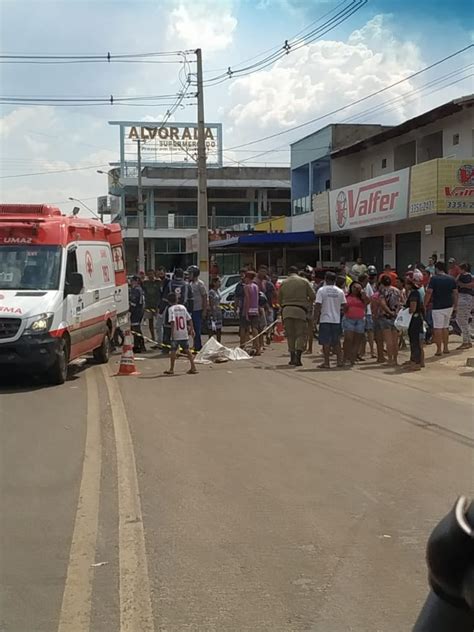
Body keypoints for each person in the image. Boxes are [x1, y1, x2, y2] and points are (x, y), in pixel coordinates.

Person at [278, 266, 316, 367]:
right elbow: (313, 296)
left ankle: (292, 357)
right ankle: (298, 358)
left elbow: (279, 299)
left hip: (286, 310)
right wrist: (307, 303)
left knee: (290, 335)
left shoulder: (284, 283)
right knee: (300, 334)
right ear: (297, 272)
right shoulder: (304, 281)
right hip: (300, 310)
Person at [424, 261, 458, 356]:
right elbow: (455, 293)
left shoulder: (434, 279)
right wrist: (455, 306)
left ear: (437, 268)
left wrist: (424, 304)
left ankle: (439, 349)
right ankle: (446, 348)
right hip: (449, 305)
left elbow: (429, 292)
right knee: (445, 327)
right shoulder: (451, 279)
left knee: (438, 328)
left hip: (438, 306)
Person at [314, 271, 346, 369]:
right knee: (336, 341)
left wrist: (315, 319)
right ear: (335, 280)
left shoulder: (321, 290)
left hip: (325, 319)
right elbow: (344, 305)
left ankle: (326, 363)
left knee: (325, 342)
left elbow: (318, 305)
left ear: (325, 279)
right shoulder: (340, 291)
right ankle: (339, 361)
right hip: (336, 319)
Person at [164, 292, 197, 376]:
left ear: (168, 301)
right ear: (177, 299)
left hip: (176, 333)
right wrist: (192, 329)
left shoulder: (171, 309)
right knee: (187, 350)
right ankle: (193, 366)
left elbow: (172, 321)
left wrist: (172, 333)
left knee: (173, 351)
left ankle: (171, 369)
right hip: (183, 332)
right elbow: (189, 319)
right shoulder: (183, 307)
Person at [161, 268, 192, 352]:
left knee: (167, 329)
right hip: (182, 309)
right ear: (182, 275)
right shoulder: (186, 285)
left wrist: (161, 310)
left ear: (174, 275)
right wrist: (190, 311)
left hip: (170, 308)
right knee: (182, 329)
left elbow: (164, 298)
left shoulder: (170, 284)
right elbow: (190, 299)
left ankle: (166, 348)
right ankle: (183, 348)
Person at [342, 281, 369, 366]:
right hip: (348, 319)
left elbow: (367, 302)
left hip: (360, 320)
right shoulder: (346, 296)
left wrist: (362, 293)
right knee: (348, 339)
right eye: (354, 287)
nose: (356, 289)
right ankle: (345, 357)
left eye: (357, 288)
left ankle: (353, 358)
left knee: (357, 341)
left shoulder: (362, 298)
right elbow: (344, 308)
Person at [379, 275, 401, 366]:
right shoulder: (397, 290)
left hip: (386, 317)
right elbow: (401, 302)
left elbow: (383, 304)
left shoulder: (383, 291)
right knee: (395, 340)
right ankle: (395, 359)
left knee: (388, 341)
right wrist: (395, 313)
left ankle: (390, 359)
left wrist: (389, 312)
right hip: (396, 316)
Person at [404, 277, 425, 371]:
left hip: (414, 320)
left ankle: (415, 362)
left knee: (414, 342)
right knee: (417, 342)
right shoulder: (418, 293)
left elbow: (412, 308)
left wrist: (404, 310)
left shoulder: (413, 294)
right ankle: (419, 361)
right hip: (418, 319)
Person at [187, 265, 208, 352]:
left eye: (190, 273)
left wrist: (204, 310)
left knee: (197, 328)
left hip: (198, 310)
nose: (189, 275)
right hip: (191, 309)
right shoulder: (190, 284)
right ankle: (195, 344)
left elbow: (204, 297)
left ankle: (198, 346)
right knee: (192, 329)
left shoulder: (200, 284)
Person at [242, 271, 261, 356]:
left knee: (247, 329)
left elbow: (247, 299)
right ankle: (258, 348)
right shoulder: (256, 286)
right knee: (255, 329)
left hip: (249, 310)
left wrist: (246, 312)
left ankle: (244, 346)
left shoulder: (247, 287)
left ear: (248, 278)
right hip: (255, 309)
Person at [456, 262, 473, 349]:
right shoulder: (471, 276)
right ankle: (468, 340)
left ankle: (466, 341)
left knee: (461, 320)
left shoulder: (462, 276)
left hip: (463, 299)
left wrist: (462, 285)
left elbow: (456, 283)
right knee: (464, 320)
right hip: (469, 299)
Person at [359, 273, 376, 359]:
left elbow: (371, 298)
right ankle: (362, 351)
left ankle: (372, 351)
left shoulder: (368, 286)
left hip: (368, 312)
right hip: (360, 313)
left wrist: (372, 310)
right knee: (361, 333)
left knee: (370, 332)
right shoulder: (357, 287)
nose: (367, 282)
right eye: (366, 280)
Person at [129, 275, 146, 353]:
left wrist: (129, 307)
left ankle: (139, 345)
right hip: (139, 310)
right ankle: (138, 345)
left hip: (136, 311)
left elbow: (134, 302)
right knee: (134, 328)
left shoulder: (136, 290)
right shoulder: (139, 289)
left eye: (132, 280)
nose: (130, 282)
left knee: (136, 328)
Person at [142, 269, 160, 341]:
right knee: (150, 322)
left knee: (159, 323)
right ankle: (153, 337)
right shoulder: (145, 283)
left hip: (157, 305)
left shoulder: (158, 282)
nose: (150, 276)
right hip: (148, 305)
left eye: (151, 274)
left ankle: (160, 338)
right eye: (149, 274)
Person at [155, 266, 169, 345]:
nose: (160, 274)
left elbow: (165, 296)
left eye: (161, 272)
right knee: (158, 326)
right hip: (160, 306)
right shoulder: (158, 282)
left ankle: (163, 342)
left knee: (163, 325)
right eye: (159, 272)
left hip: (165, 306)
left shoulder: (168, 282)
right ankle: (159, 342)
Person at [208, 277, 223, 343]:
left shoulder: (218, 291)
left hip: (218, 312)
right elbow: (211, 304)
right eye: (218, 282)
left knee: (219, 330)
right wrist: (213, 314)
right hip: (213, 312)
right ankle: (210, 344)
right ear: (214, 283)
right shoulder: (211, 292)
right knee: (211, 329)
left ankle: (219, 344)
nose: (220, 283)